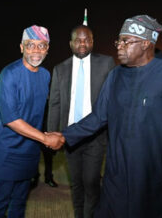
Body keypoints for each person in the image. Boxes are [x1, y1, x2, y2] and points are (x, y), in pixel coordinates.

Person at [60, 15, 162, 217]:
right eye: (118, 41)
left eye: (125, 41)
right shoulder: (115, 76)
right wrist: (63, 136)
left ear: (146, 44)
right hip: (117, 168)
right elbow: (98, 117)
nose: (119, 47)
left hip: (153, 168)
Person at [0, 25, 65, 218]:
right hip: (7, 152)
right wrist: (46, 139)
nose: (36, 50)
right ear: (21, 47)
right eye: (30, 45)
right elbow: (11, 119)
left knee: (20, 202)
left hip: (29, 152)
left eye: (41, 45)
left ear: (47, 48)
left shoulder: (45, 75)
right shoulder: (9, 74)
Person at [47, 24, 115, 218]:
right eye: (78, 39)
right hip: (69, 137)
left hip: (96, 135)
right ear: (71, 43)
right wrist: (53, 134)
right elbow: (55, 104)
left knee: (91, 181)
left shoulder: (107, 63)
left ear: (92, 42)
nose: (82, 43)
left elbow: (112, 100)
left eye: (87, 39)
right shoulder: (60, 69)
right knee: (76, 183)